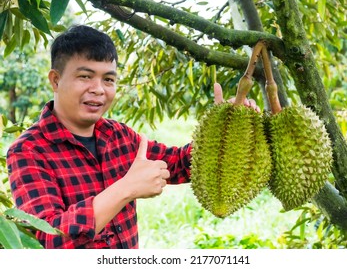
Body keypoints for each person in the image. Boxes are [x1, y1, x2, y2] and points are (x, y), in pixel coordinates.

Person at [6, 25, 259, 249]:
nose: (98, 89)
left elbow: (182, 164)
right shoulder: (28, 151)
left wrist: (225, 132)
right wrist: (125, 188)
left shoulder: (119, 136)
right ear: (56, 80)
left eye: (108, 79)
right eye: (85, 76)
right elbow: (46, 240)